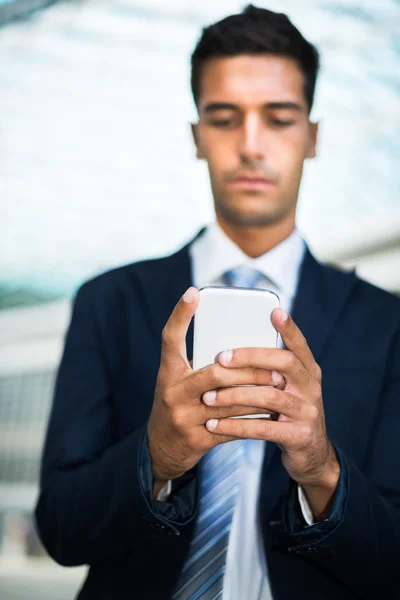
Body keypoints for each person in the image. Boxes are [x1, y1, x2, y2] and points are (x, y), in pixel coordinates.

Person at [35, 5, 400, 600]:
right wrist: (155, 456)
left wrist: (321, 471)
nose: (251, 146)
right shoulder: (110, 302)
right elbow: (60, 530)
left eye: (279, 119)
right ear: (198, 137)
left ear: (311, 136)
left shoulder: (385, 325)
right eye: (225, 118)